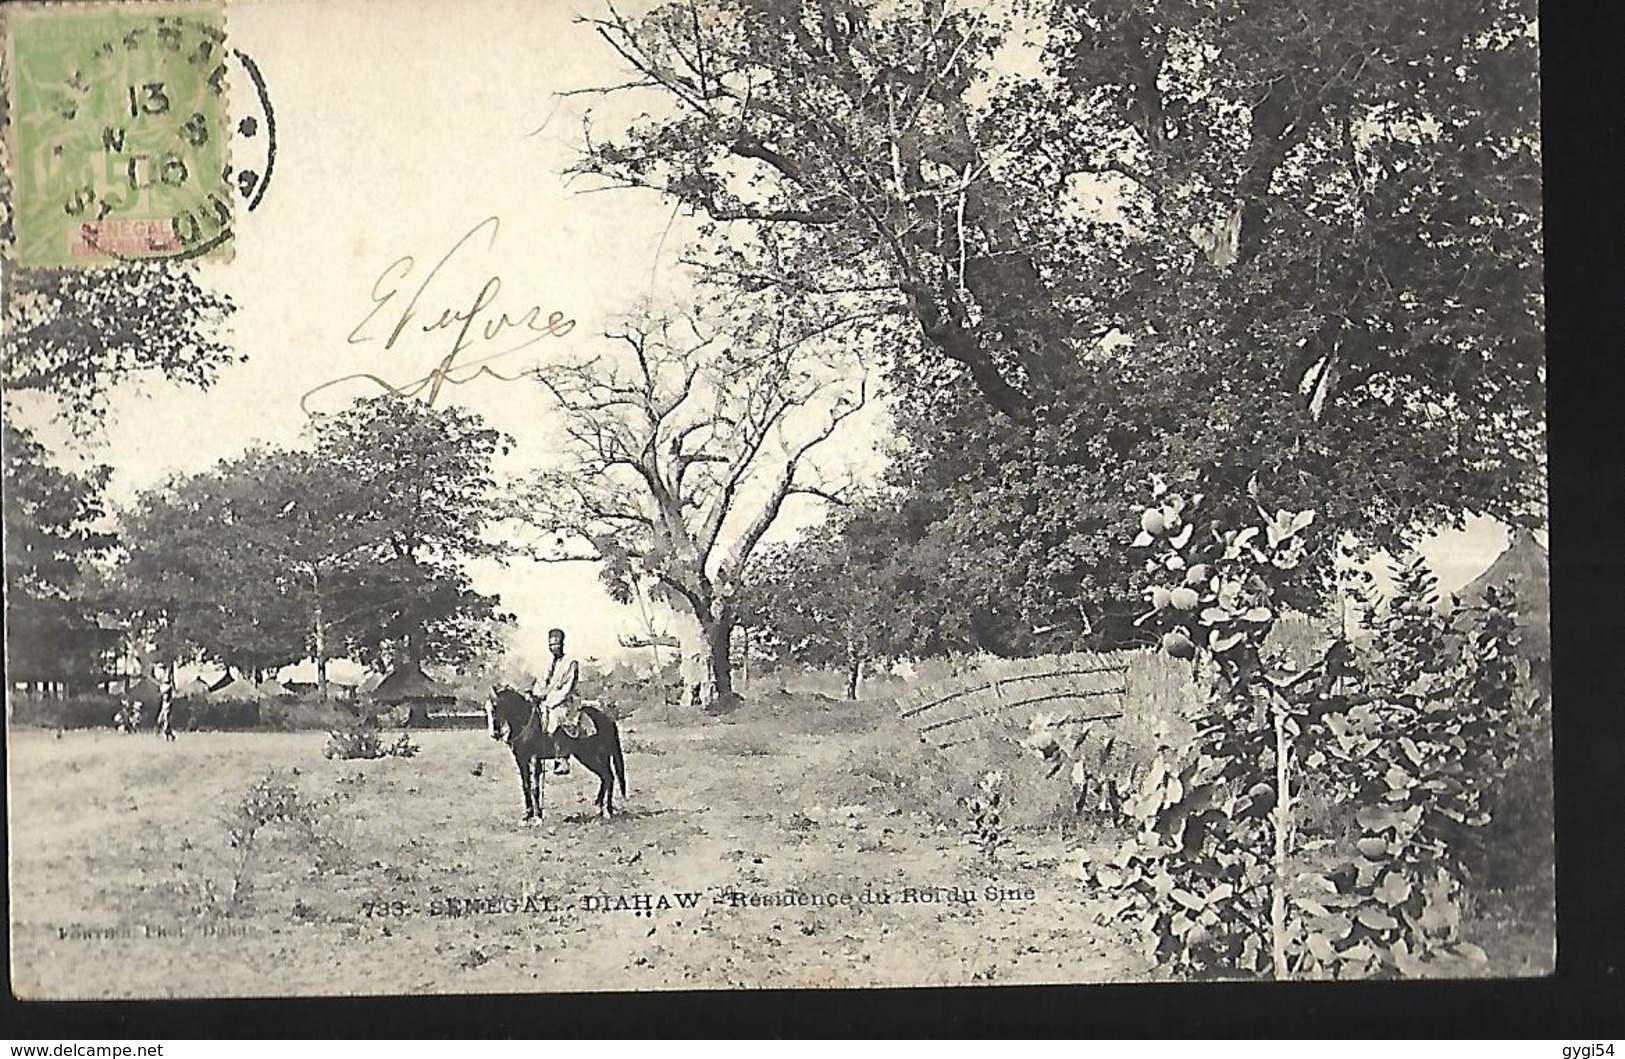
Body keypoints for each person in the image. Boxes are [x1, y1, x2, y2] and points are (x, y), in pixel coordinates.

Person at [530, 628, 586, 775]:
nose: (554, 647)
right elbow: (542, 682)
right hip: (548, 698)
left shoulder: (570, 663)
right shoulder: (548, 663)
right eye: (551, 644)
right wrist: (537, 694)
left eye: (556, 644)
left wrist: (552, 700)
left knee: (556, 715)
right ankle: (536, 754)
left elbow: (568, 687)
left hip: (566, 700)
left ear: (562, 644)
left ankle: (562, 758)